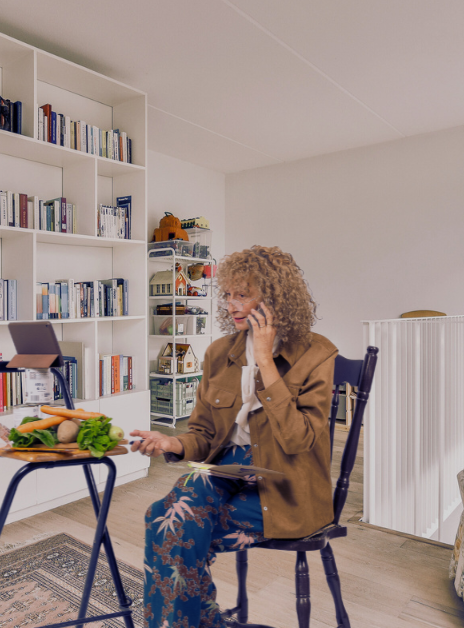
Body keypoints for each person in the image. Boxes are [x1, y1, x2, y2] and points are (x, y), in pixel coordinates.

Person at [130, 245, 338, 628]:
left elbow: (298, 439)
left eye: (242, 295)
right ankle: (205, 622)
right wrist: (173, 443)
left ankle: (204, 621)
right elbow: (204, 434)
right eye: (228, 295)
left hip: (287, 481)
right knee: (167, 517)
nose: (231, 305)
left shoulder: (316, 354)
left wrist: (264, 360)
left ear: (274, 297)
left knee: (172, 526)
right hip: (226, 470)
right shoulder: (219, 353)